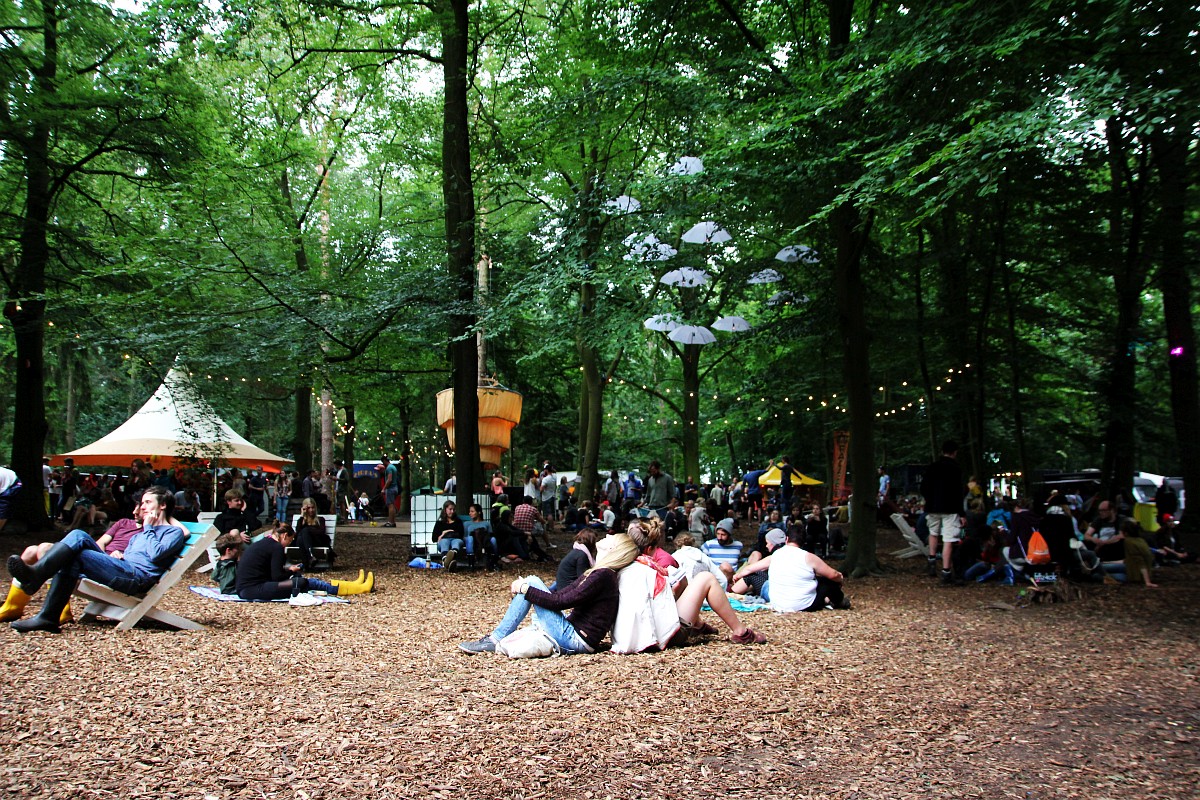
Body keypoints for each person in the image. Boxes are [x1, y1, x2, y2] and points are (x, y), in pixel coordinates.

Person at [7, 487, 188, 633]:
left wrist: (148, 528)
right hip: (124, 568)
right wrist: (118, 555)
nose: (142, 507)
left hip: (137, 579)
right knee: (78, 535)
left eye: (148, 502)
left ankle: (38, 583)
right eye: (142, 503)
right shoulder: (139, 534)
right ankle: (47, 616)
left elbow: (156, 554)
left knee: (75, 553)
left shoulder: (173, 532)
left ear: (162, 505)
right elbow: (135, 554)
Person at [458, 533, 641, 655]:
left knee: (531, 582)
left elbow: (560, 602)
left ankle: (495, 639)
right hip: (574, 633)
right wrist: (528, 590)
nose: (606, 535)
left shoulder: (603, 576)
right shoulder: (601, 573)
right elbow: (564, 594)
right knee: (531, 582)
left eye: (611, 537)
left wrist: (526, 589)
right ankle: (496, 638)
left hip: (576, 640)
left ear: (613, 549)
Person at [235, 522, 372, 600]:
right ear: (284, 536)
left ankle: (352, 585)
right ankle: (355, 588)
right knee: (303, 582)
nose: (289, 544)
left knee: (306, 582)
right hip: (253, 589)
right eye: (289, 541)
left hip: (247, 588)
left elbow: (269, 570)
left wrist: (289, 570)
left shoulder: (266, 543)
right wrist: (290, 571)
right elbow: (276, 576)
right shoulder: (276, 547)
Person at [731, 524, 850, 612]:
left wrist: (737, 575)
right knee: (827, 582)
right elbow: (833, 574)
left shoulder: (775, 555)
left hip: (778, 602)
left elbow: (750, 569)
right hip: (805, 604)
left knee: (756, 575)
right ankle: (839, 601)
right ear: (803, 542)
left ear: (787, 539)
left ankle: (731, 592)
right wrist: (840, 579)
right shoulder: (809, 557)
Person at [921, 439, 965, 584]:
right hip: (950, 508)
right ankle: (946, 571)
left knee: (933, 533)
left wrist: (929, 499)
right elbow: (959, 492)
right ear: (955, 452)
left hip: (933, 507)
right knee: (948, 539)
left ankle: (932, 561)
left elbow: (923, 487)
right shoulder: (956, 468)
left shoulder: (932, 467)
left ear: (942, 451)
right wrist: (962, 513)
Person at [294, 497, 335, 569]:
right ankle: (310, 558)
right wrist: (302, 516)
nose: (311, 510)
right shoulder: (301, 520)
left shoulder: (320, 519)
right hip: (303, 543)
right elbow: (297, 533)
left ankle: (306, 564)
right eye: (308, 508)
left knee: (304, 532)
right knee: (300, 538)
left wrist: (308, 530)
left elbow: (321, 532)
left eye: (313, 507)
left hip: (316, 542)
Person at [701, 518, 743, 584]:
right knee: (725, 566)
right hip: (715, 578)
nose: (719, 537)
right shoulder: (709, 545)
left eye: (723, 535)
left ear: (729, 535)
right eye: (718, 534)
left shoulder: (738, 545)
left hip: (733, 577)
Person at [433, 500, 467, 569]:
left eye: (453, 509)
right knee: (444, 542)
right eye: (450, 509)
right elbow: (434, 538)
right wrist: (444, 533)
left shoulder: (458, 521)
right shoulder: (439, 523)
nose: (452, 511)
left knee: (456, 542)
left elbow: (461, 534)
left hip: (456, 539)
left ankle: (448, 559)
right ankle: (447, 559)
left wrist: (449, 532)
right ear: (445, 510)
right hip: (443, 541)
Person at [381, 456, 398, 528]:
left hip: (390, 488)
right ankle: (393, 522)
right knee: (393, 505)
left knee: (390, 505)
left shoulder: (389, 468)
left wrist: (384, 489)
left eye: (383, 462)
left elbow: (389, 479)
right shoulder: (393, 467)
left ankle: (390, 522)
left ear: (385, 461)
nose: (383, 463)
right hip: (395, 487)